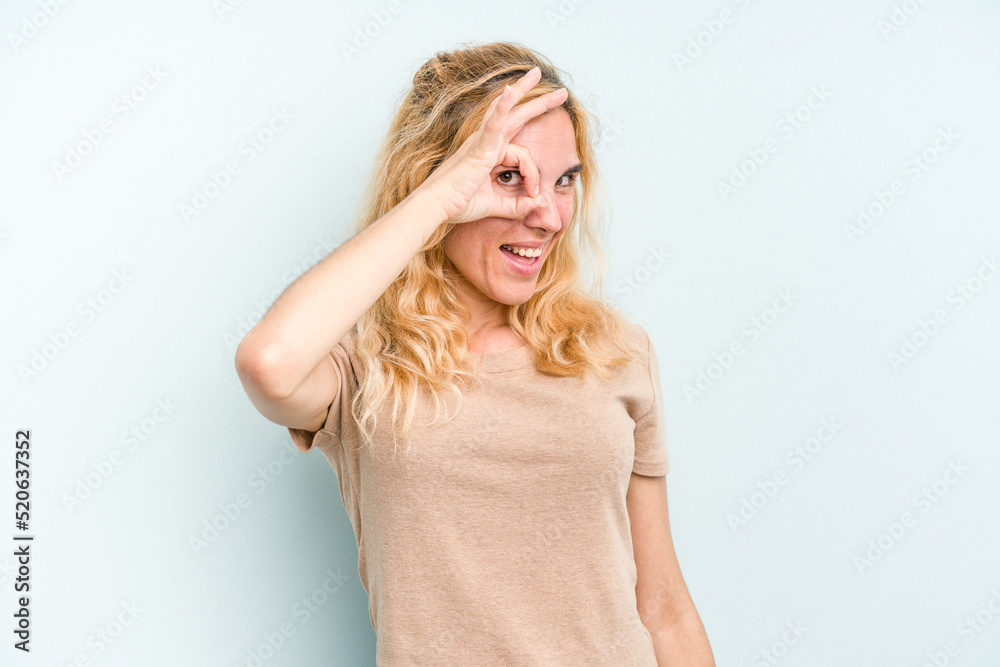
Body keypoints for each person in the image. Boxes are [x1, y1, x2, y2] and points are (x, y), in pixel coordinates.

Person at [235, 41, 714, 666]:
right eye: (508, 177)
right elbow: (269, 363)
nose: (547, 215)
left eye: (564, 180)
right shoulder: (364, 367)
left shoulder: (615, 352)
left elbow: (663, 605)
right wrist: (443, 197)